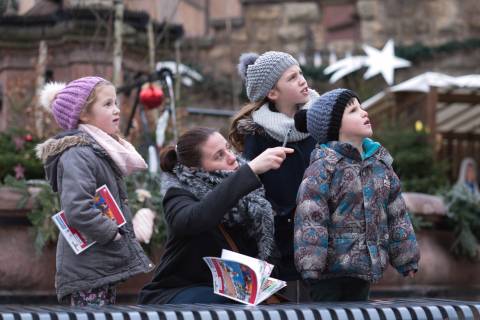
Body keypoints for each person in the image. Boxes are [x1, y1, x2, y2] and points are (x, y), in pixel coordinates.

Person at [137, 127, 293, 304]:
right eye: (219, 156)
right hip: (179, 294)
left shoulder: (253, 198)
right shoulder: (178, 195)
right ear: (195, 168)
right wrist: (248, 171)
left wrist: (256, 280)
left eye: (228, 148)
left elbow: (272, 260)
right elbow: (196, 218)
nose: (232, 157)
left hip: (236, 297)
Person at [35, 77, 155, 306]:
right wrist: (113, 234)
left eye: (116, 103)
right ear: (84, 114)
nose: (117, 110)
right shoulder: (78, 153)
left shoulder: (96, 150)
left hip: (97, 263)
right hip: (88, 267)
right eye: (107, 104)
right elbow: (78, 209)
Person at [293, 88, 421, 302]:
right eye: (353, 110)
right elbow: (310, 217)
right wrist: (310, 265)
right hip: (327, 274)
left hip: (364, 268)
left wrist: (406, 258)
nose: (363, 112)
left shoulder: (380, 164)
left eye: (361, 107)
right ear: (335, 127)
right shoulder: (324, 167)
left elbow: (397, 213)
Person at [229, 51, 320, 302]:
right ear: (273, 94)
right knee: (282, 306)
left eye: (300, 73)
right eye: (292, 78)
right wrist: (273, 211)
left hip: (320, 239)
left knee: (321, 307)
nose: (302, 80)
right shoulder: (258, 135)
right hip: (278, 242)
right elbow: (248, 185)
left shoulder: (321, 122)